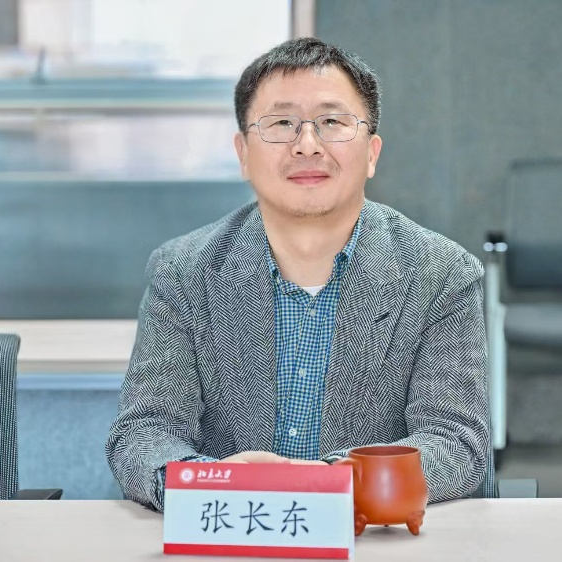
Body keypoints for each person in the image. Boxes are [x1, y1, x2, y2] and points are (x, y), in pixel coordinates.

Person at [106, 37, 492, 511]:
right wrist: (213, 482)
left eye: (332, 122)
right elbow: (144, 433)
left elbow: (454, 441)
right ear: (243, 153)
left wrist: (331, 483)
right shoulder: (183, 273)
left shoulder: (441, 274)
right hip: (232, 531)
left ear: (372, 153)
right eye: (281, 124)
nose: (307, 145)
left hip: (374, 535)